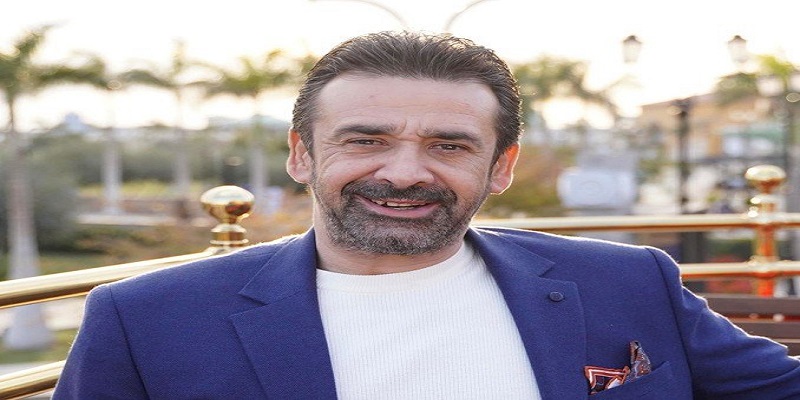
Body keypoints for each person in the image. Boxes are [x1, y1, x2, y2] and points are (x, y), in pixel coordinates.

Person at [54, 31, 800, 400]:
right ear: (302, 155)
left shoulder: (628, 282)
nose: (406, 172)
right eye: (365, 140)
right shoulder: (146, 320)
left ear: (501, 166)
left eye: (449, 145)